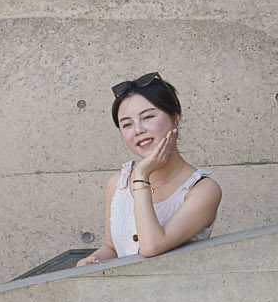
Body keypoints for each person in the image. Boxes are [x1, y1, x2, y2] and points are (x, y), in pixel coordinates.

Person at [78, 72, 220, 265]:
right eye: (127, 124)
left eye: (148, 117)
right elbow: (112, 248)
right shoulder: (117, 183)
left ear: (175, 118)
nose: (138, 130)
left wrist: (142, 176)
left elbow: (151, 247)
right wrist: (89, 262)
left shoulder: (203, 190)